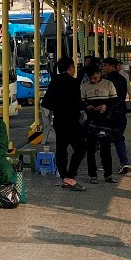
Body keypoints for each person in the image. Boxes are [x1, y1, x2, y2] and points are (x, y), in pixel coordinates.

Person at [49, 56, 86, 191]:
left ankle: (64, 177)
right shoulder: (74, 83)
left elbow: (46, 102)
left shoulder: (54, 81)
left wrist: (58, 108)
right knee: (81, 148)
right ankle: (69, 176)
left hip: (59, 121)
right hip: (72, 121)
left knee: (61, 149)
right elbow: (78, 104)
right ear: (71, 68)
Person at [81, 68, 117, 183]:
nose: (93, 80)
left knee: (106, 149)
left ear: (99, 74)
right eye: (91, 78)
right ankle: (93, 175)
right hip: (91, 121)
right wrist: (87, 107)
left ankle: (108, 175)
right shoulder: (84, 87)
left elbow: (115, 100)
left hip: (105, 121)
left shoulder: (108, 84)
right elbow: (81, 102)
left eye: (95, 77)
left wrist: (105, 106)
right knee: (90, 149)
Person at [102, 58, 130, 172]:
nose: (103, 67)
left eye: (106, 65)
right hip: (120, 113)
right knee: (119, 138)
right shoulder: (122, 79)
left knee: (105, 139)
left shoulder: (105, 81)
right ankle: (124, 162)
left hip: (108, 114)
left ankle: (105, 164)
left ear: (113, 67)